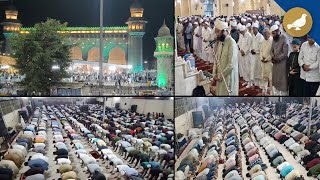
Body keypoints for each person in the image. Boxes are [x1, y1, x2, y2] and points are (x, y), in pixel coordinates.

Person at [212, 19, 239, 96]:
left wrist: (220, 76)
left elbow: (231, 65)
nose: (217, 35)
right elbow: (216, 59)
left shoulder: (232, 43)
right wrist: (214, 74)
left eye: (218, 32)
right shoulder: (220, 42)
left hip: (227, 77)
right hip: (219, 77)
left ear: (224, 31)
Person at [270, 24, 289, 95]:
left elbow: (285, 52)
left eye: (274, 33)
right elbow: (271, 50)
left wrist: (277, 58)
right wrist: (272, 57)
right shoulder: (274, 39)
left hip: (282, 63)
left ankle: (284, 95)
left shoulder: (284, 38)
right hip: (275, 63)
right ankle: (277, 94)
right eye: (272, 34)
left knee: (282, 80)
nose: (273, 35)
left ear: (278, 31)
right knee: (275, 79)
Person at [260, 28, 273, 95]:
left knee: (271, 79)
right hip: (263, 62)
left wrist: (267, 59)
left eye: (266, 34)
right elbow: (261, 50)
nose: (265, 36)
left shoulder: (272, 41)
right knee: (263, 77)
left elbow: (272, 53)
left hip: (269, 63)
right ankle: (264, 91)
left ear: (269, 34)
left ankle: (271, 93)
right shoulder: (263, 40)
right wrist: (261, 58)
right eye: (264, 35)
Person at [251, 23, 264, 88]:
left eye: (254, 29)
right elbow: (251, 44)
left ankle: (260, 84)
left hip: (258, 55)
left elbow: (261, 47)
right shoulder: (253, 36)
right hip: (253, 55)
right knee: (254, 69)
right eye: (253, 29)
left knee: (259, 69)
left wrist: (255, 51)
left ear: (257, 29)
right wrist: (251, 50)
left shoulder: (260, 36)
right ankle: (255, 83)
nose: (253, 30)